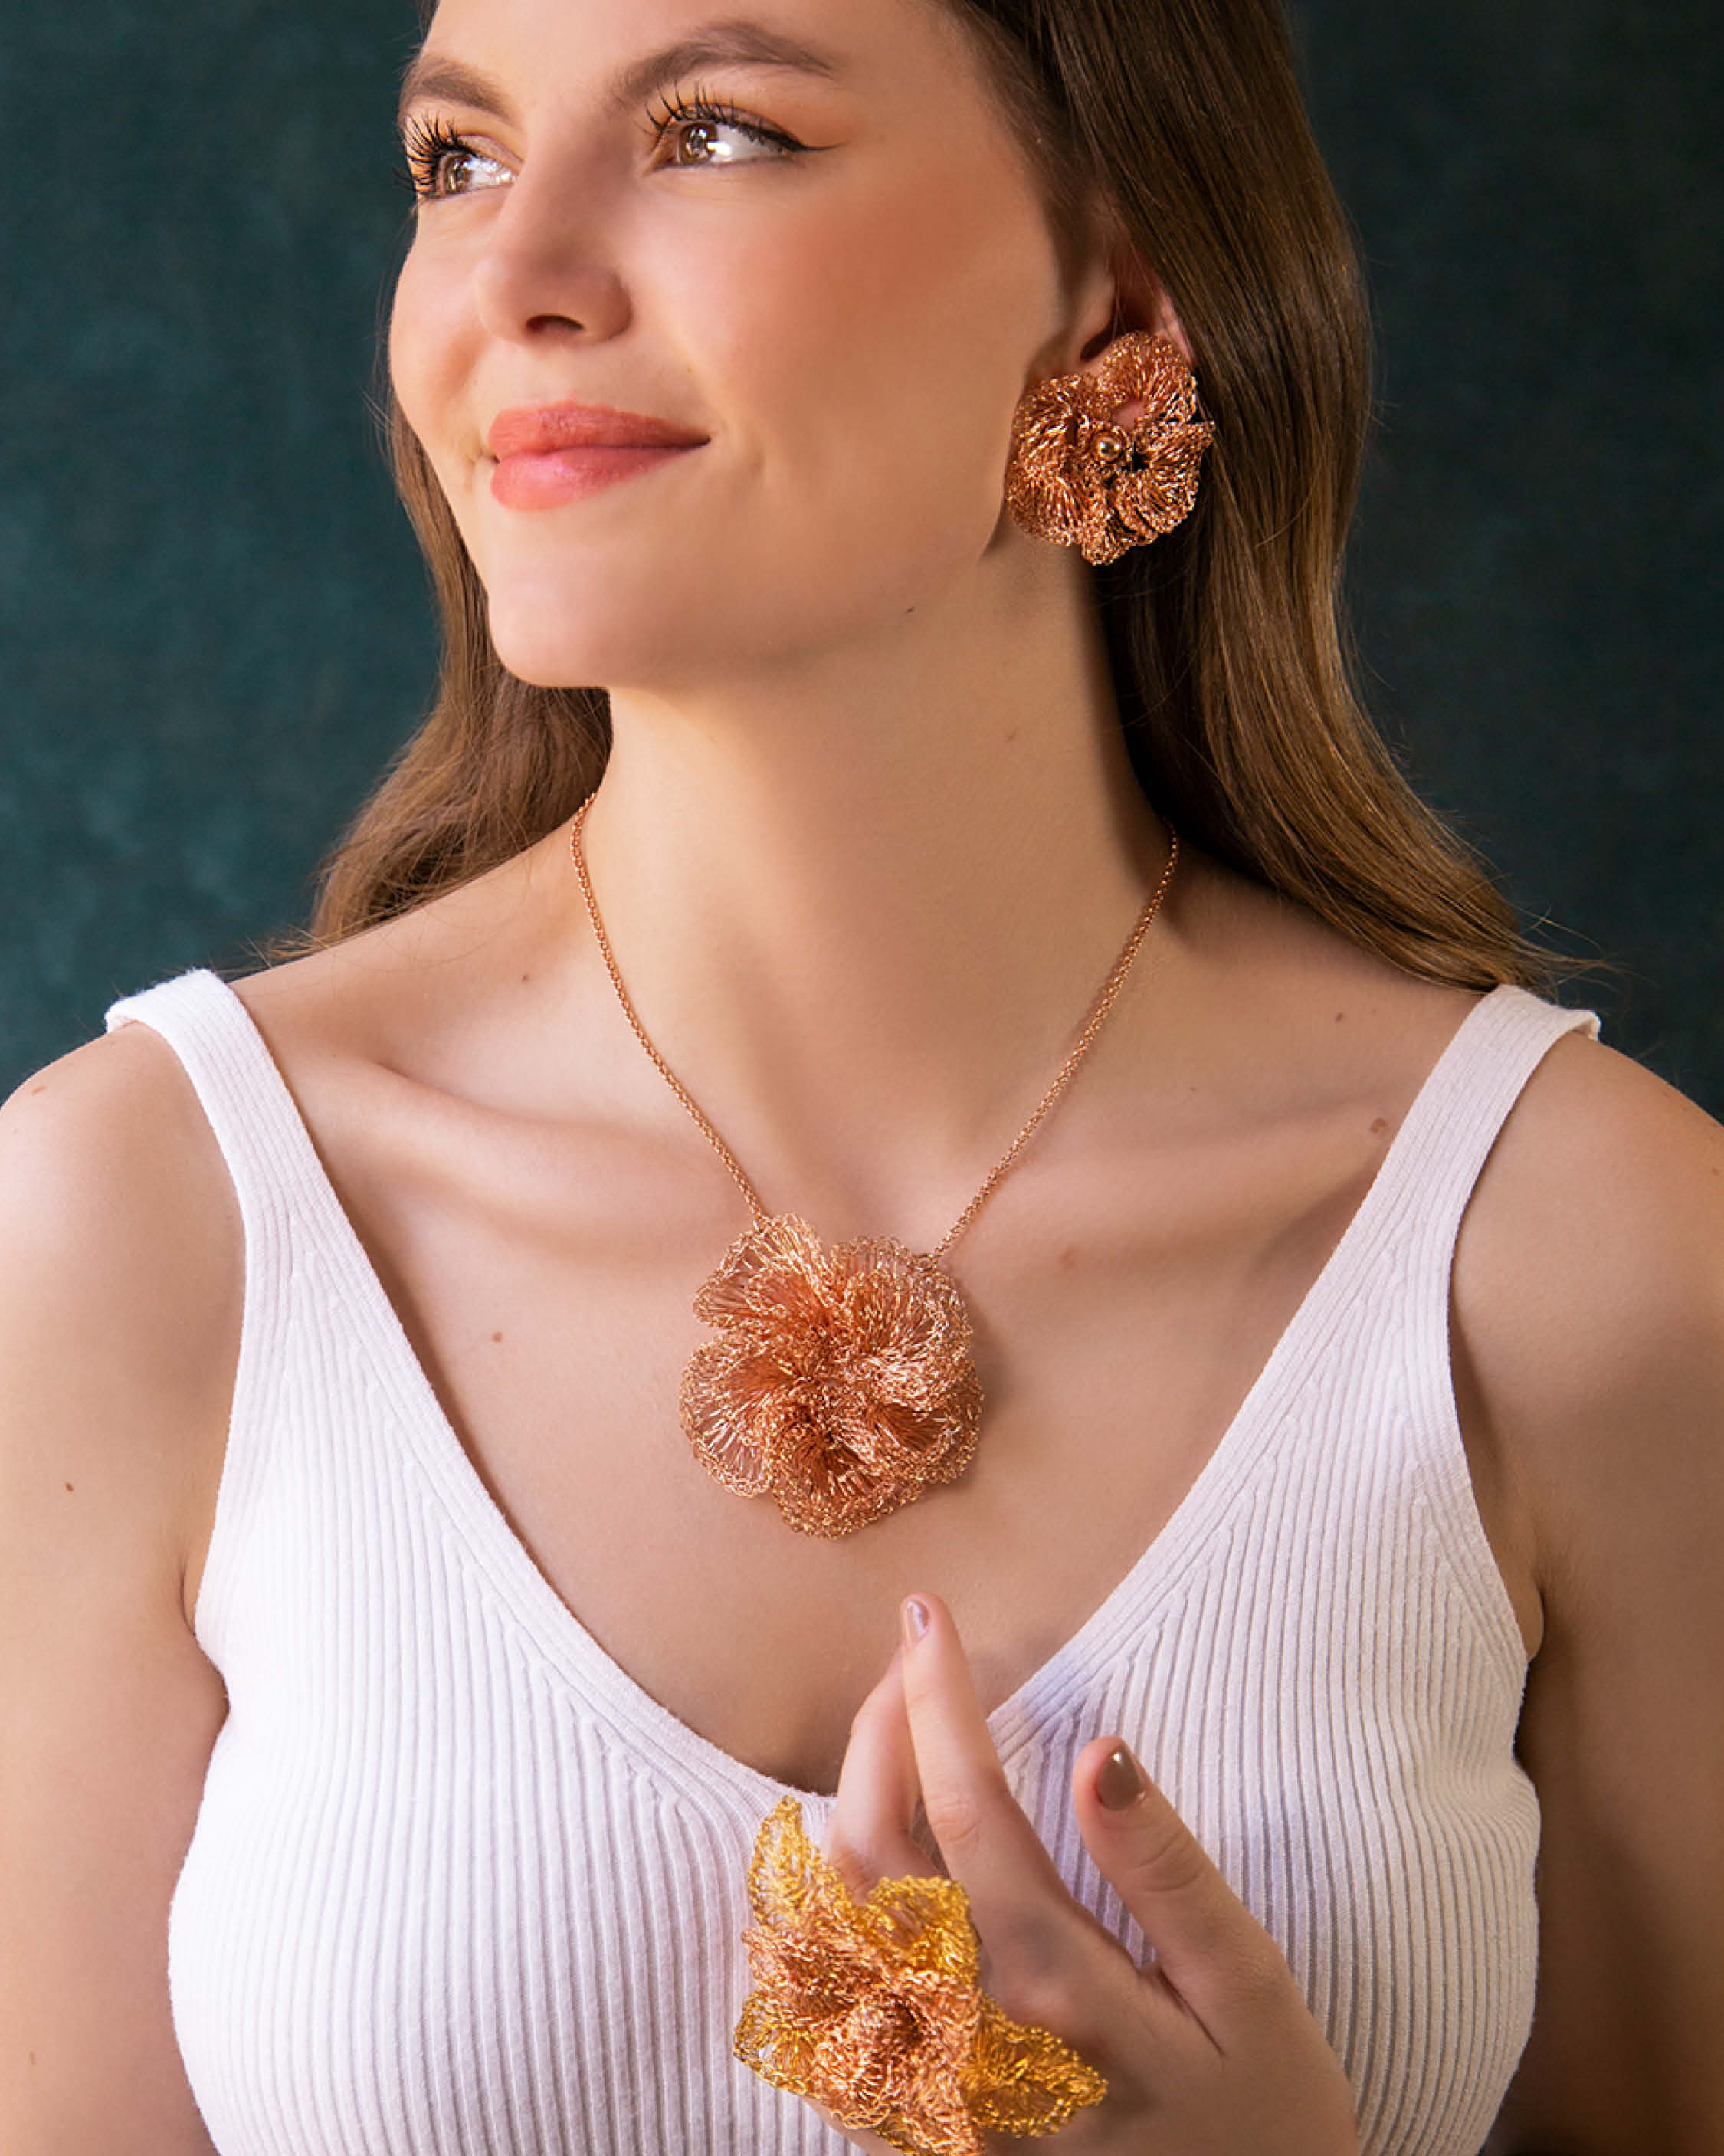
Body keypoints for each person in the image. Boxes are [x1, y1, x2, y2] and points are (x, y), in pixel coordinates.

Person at [2, 0, 1719, 2149]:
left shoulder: (1586, 1261)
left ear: (1111, 283)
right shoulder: (135, 1229)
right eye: (452, 161)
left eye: (713, 130)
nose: (511, 275)